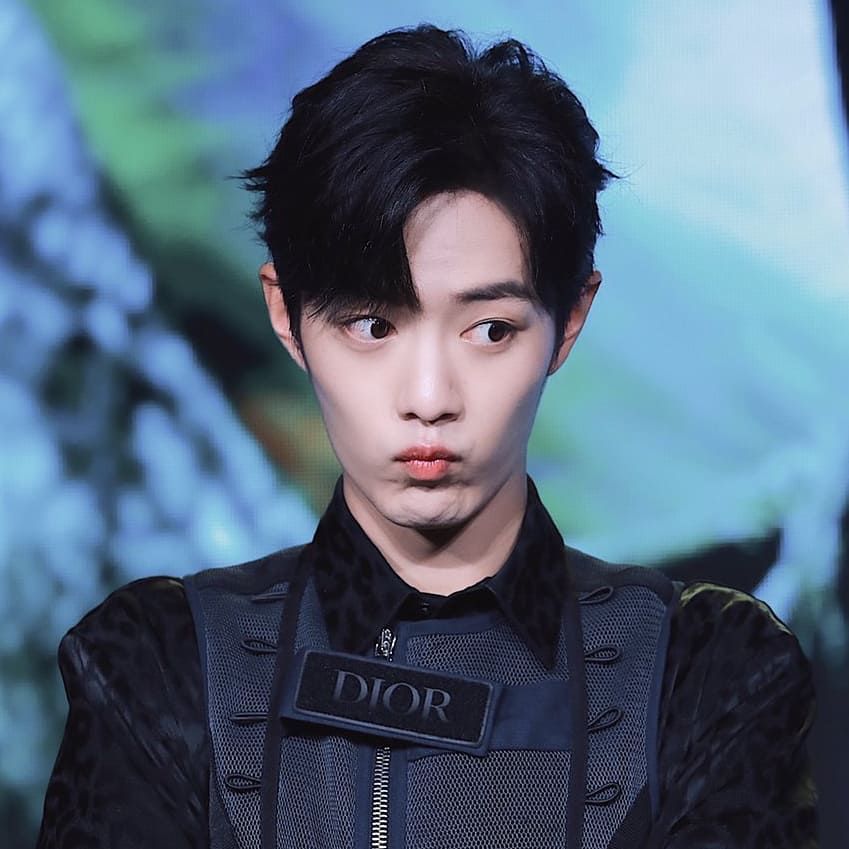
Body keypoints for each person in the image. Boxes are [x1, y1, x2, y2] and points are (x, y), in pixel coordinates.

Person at [36, 24, 817, 849]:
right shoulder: (161, 665)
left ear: (568, 319)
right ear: (286, 314)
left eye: (488, 330)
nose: (428, 398)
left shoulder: (706, 672)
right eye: (372, 325)